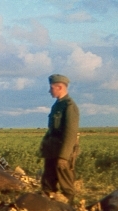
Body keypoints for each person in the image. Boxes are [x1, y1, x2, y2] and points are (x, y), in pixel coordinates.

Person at [39, 74, 80, 203]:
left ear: (60, 87)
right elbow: (52, 130)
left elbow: (70, 133)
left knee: (66, 186)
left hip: (62, 151)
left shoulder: (69, 106)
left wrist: (63, 156)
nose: (49, 91)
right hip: (52, 150)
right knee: (48, 183)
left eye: (51, 88)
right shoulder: (57, 105)